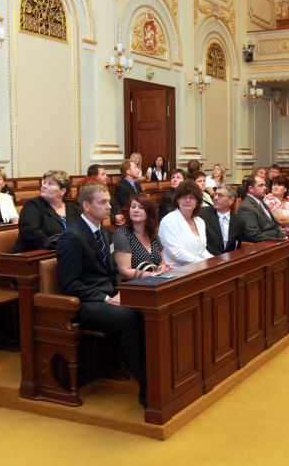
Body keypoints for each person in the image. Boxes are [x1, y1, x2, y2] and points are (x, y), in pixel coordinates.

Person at [56, 182, 147, 406]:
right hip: (85, 303)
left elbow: (112, 272)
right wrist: (107, 298)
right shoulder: (72, 237)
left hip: (108, 294)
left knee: (148, 309)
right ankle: (146, 385)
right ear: (86, 206)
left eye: (108, 201)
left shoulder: (104, 231)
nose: (109, 206)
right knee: (132, 317)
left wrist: (122, 292)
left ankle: (153, 371)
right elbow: (69, 284)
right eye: (103, 202)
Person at [235, 174, 289, 311]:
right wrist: (277, 243)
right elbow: (253, 234)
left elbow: (275, 225)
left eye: (265, 185)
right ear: (251, 189)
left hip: (275, 240)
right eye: (261, 185)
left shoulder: (261, 202)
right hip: (263, 246)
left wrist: (283, 238)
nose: (265, 188)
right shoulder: (247, 207)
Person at [14, 170, 76, 252]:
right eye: (44, 183)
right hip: (35, 254)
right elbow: (30, 232)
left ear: (62, 191)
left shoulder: (74, 208)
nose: (44, 186)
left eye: (50, 184)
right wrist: (58, 245)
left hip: (67, 251)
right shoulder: (33, 205)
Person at [112, 194, 168, 280]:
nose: (136, 210)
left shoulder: (152, 234)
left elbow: (162, 263)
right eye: (133, 207)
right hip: (134, 285)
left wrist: (163, 268)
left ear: (149, 212)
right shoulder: (121, 234)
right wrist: (154, 274)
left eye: (141, 208)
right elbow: (124, 271)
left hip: (155, 282)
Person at [158, 180, 213, 267]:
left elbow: (202, 251)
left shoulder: (200, 222)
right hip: (176, 270)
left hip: (198, 267)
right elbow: (176, 253)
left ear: (197, 201)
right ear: (177, 200)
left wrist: (215, 261)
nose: (187, 200)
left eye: (191, 197)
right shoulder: (168, 221)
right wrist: (204, 263)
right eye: (184, 197)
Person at [198, 185, 240, 256]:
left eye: (220, 196)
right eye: (215, 194)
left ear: (231, 200)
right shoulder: (202, 214)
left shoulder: (238, 220)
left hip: (230, 259)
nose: (215, 198)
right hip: (208, 259)